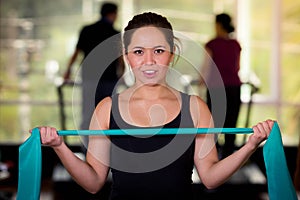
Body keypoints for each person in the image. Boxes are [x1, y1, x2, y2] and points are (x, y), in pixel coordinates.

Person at [35, 12, 274, 200]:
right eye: (138, 52)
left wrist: (251, 145)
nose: (149, 61)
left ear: (172, 54)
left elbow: (210, 178)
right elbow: (93, 182)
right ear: (126, 56)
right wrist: (59, 146)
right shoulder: (106, 109)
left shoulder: (195, 107)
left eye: (158, 51)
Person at [64, 2, 124, 130]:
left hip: (90, 78)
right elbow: (120, 59)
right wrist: (122, 75)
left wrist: (68, 71)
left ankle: (86, 147)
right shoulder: (115, 33)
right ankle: (109, 148)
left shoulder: (87, 29)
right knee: (109, 113)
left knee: (88, 113)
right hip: (109, 79)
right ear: (113, 14)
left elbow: (76, 53)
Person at [200, 13, 242, 158]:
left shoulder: (212, 44)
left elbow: (206, 67)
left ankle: (213, 157)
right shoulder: (236, 45)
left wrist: (200, 81)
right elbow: (237, 67)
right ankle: (230, 156)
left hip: (216, 88)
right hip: (234, 88)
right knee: (231, 122)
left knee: (214, 123)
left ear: (218, 25)